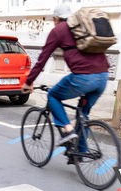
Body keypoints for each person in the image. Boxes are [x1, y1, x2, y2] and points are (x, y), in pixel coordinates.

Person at [21, 4, 110, 157]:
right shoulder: (83, 26)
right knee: (83, 114)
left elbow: (42, 59)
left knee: (53, 96)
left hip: (83, 78)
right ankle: (80, 152)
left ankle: (68, 131)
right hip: (103, 76)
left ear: (56, 19)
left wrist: (29, 81)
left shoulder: (59, 30)